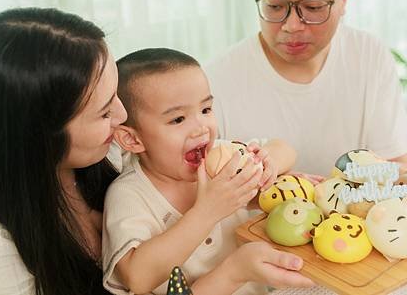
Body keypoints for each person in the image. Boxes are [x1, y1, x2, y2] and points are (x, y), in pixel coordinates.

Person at [0, 8, 128, 295]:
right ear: (38, 134)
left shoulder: (108, 156)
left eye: (116, 94)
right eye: (104, 113)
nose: (123, 114)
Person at [205, 0, 407, 178]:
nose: (292, 25)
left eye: (314, 7)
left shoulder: (368, 55)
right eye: (274, 5)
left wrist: (334, 196)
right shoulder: (215, 80)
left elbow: (399, 170)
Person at [102, 48, 314, 295]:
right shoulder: (129, 195)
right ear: (132, 139)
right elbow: (138, 277)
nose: (201, 128)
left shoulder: (222, 158)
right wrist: (208, 211)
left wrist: (267, 162)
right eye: (178, 119)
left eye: (206, 110)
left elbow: (284, 148)